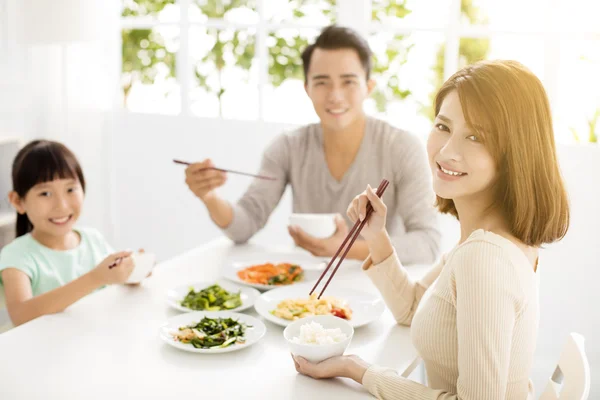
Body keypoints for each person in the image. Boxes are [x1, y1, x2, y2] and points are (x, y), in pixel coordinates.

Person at [291, 60, 570, 399]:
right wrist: (376, 235)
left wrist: (361, 371)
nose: (447, 151)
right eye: (443, 126)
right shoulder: (490, 239)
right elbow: (412, 308)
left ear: (514, 154)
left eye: (475, 136)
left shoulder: (484, 257)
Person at [185, 25, 440, 264]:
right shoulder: (287, 147)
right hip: (303, 297)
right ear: (307, 88)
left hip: (379, 290)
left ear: (368, 87)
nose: (335, 96)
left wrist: (344, 249)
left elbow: (427, 243)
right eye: (321, 82)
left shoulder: (401, 147)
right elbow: (244, 225)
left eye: (348, 81)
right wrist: (209, 196)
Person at [0, 140, 150, 327]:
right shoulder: (16, 255)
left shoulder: (92, 239)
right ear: (18, 201)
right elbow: (21, 315)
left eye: (70, 189)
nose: (61, 205)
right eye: (45, 194)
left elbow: (110, 284)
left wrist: (131, 273)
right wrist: (96, 278)